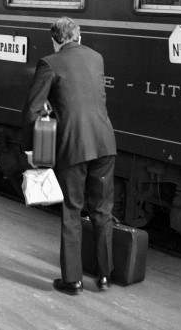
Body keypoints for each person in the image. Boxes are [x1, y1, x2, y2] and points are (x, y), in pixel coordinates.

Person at [21, 17, 117, 295]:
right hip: (105, 144)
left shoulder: (49, 63)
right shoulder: (96, 58)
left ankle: (73, 280)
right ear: (79, 36)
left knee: (72, 212)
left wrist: (30, 148)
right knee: (102, 211)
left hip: (73, 147)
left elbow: (32, 109)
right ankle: (104, 276)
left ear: (56, 39)